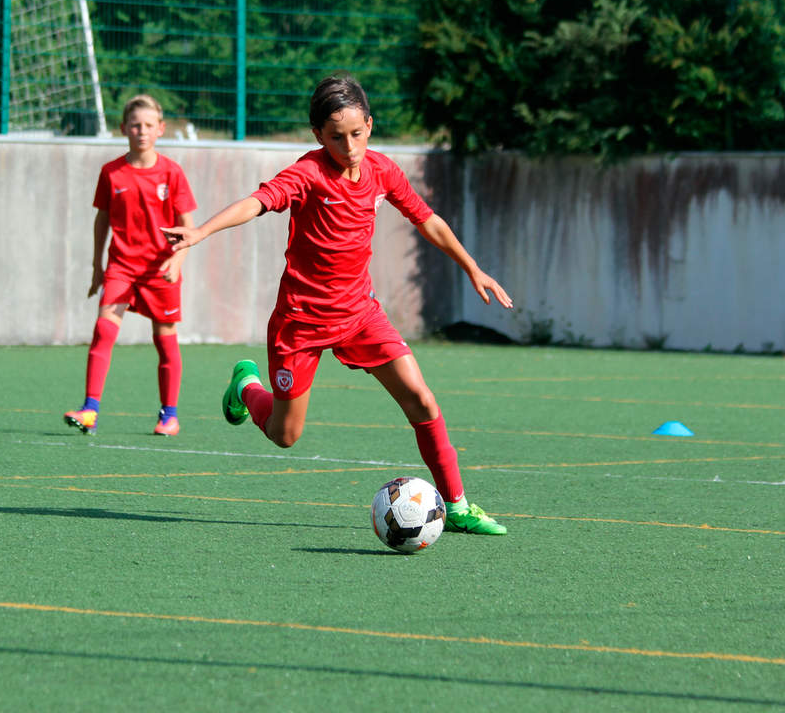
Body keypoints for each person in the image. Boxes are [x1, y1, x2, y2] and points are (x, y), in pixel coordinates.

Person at [162, 74, 513, 535]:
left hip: (360, 315)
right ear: (317, 136)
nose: (348, 146)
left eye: (356, 133)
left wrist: (472, 267)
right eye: (335, 137)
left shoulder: (383, 171)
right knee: (286, 436)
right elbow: (258, 202)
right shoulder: (308, 174)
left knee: (422, 400)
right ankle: (246, 386)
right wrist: (201, 232)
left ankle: (459, 504)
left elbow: (427, 219)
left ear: (370, 124)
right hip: (301, 322)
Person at [64, 94, 196, 436]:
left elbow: (188, 226)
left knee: (165, 337)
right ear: (123, 128)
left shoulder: (172, 172)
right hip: (122, 265)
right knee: (104, 329)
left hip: (159, 269)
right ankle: (90, 409)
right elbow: (101, 220)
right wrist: (97, 265)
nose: (141, 131)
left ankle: (170, 415)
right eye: (135, 125)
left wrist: (177, 259)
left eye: (149, 125)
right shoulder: (111, 172)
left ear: (161, 129)